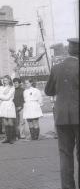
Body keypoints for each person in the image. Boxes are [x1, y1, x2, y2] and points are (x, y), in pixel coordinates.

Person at [45, 38, 79, 189]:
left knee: (65, 154)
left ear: (69, 49)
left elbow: (48, 91)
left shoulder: (56, 68)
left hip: (61, 117)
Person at [0, 75, 16, 144]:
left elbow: (7, 98)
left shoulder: (12, 88)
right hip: (3, 105)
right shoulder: (1, 88)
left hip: (9, 105)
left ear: (9, 80)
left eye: (6, 80)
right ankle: (7, 138)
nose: (4, 81)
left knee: (10, 122)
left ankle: (12, 138)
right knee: (5, 123)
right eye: (3, 80)